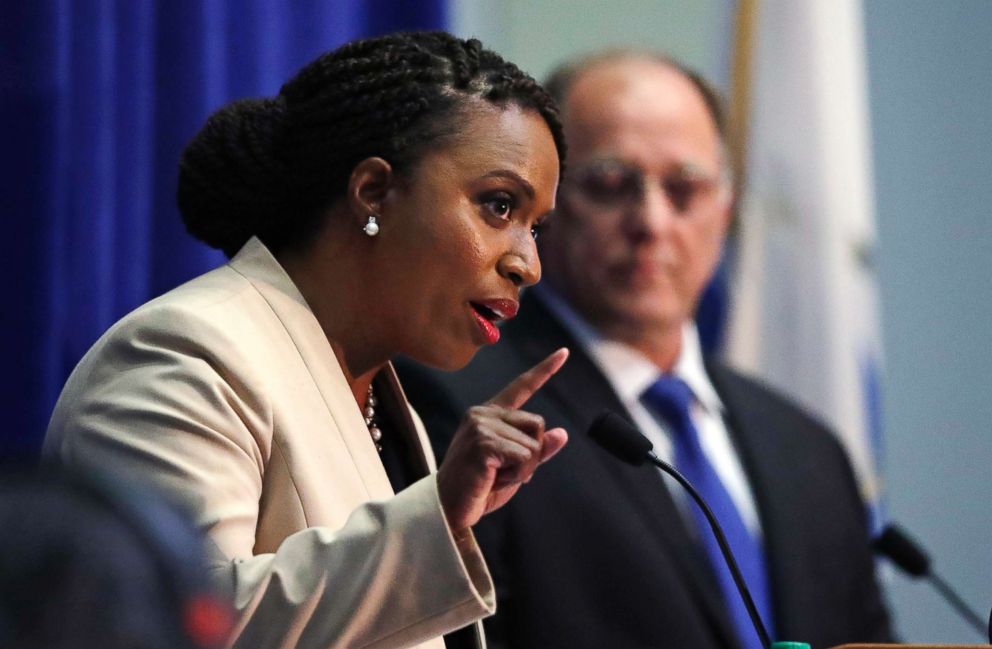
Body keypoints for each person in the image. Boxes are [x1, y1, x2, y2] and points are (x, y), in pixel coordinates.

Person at [44, 32, 568, 649]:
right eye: (499, 206)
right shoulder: (183, 353)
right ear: (373, 191)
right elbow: (177, 624)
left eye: (536, 227)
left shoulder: (389, 408)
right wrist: (436, 519)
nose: (527, 264)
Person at [398, 51, 894, 649]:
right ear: (546, 206)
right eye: (610, 185)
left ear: (725, 210)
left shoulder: (807, 449)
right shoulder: (464, 408)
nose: (652, 222)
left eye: (686, 188)